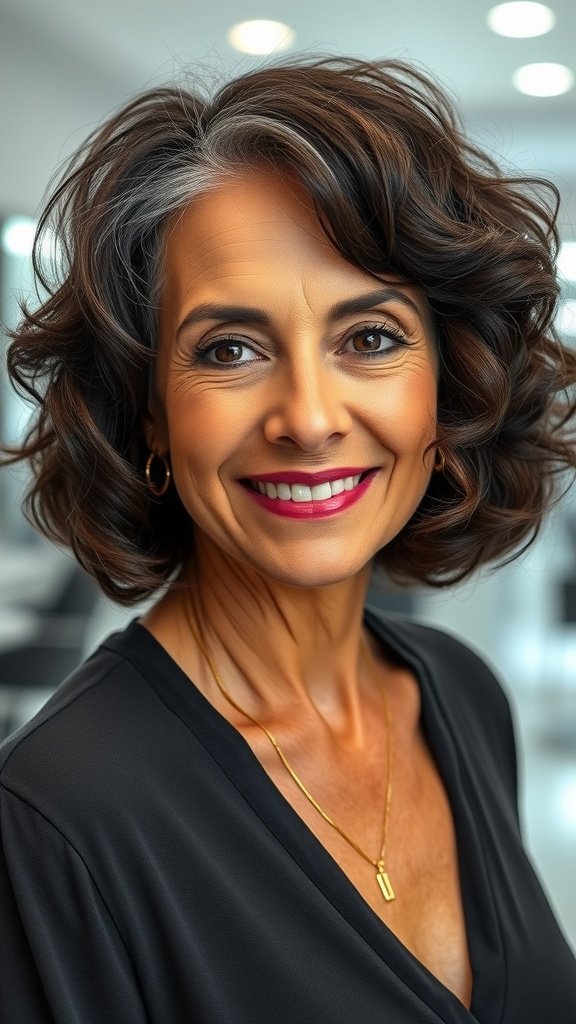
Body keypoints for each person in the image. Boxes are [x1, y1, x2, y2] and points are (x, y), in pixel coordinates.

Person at [1, 56, 575, 1023]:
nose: (309, 419)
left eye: (372, 338)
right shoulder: (58, 820)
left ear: (450, 383)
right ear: (148, 415)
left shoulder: (462, 696)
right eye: (230, 349)